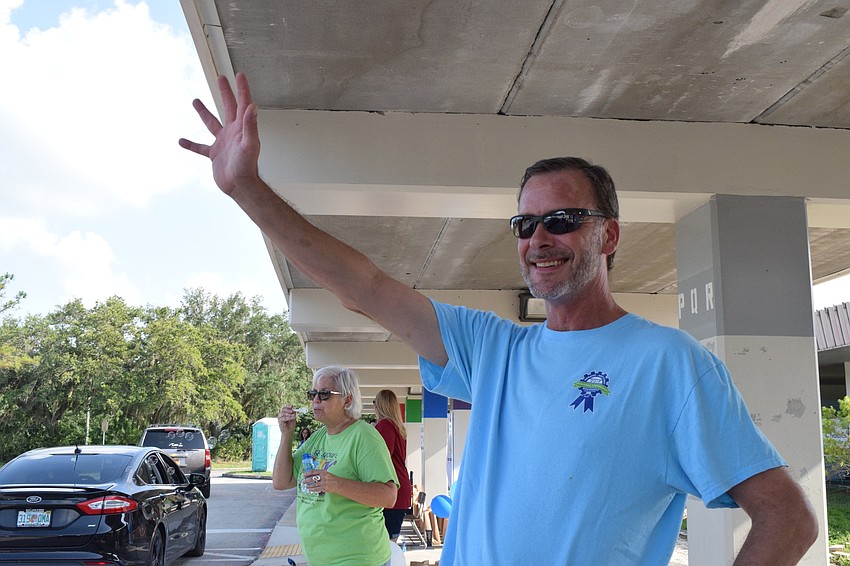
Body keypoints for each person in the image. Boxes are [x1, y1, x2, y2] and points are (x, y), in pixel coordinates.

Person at [180, 73, 819, 565]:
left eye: (563, 219)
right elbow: (364, 286)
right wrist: (248, 191)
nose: (539, 237)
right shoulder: (494, 350)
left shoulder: (671, 364)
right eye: (525, 224)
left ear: (611, 235)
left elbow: (789, 519)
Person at [272, 366, 399, 566]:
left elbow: (388, 496)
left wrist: (336, 484)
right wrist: (286, 434)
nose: (315, 400)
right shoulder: (319, 436)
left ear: (347, 400)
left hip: (359, 558)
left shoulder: (364, 437)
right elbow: (281, 481)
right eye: (312, 394)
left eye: (324, 394)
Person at [373, 389, 413, 542]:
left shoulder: (385, 425)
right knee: (391, 541)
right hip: (400, 487)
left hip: (391, 489)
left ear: (380, 405)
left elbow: (382, 458)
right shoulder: (398, 426)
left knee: (385, 544)